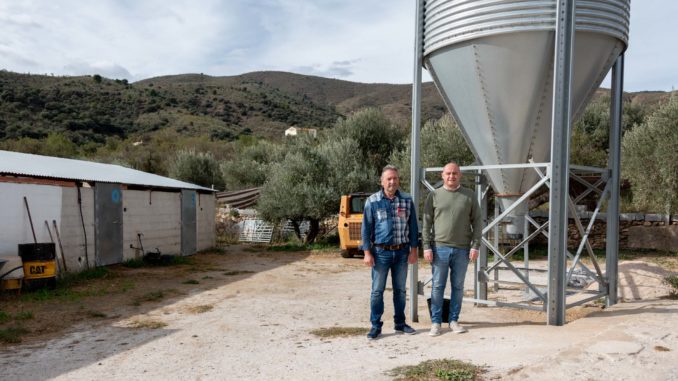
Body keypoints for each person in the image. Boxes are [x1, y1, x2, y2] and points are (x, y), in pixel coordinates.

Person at [422, 162, 481, 336]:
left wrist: (475, 245)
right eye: (448, 173)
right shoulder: (434, 196)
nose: (451, 176)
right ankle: (436, 323)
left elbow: (477, 222)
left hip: (462, 250)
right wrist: (426, 246)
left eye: (455, 173)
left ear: (460, 175)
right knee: (438, 286)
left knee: (458, 286)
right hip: (439, 248)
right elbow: (426, 224)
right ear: (442, 175)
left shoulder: (469, 196)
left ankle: (454, 320)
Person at [361, 165, 419, 340]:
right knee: (377, 291)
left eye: (395, 178)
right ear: (382, 181)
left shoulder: (407, 200)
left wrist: (414, 250)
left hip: (402, 252)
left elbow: (413, 227)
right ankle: (375, 325)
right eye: (389, 179)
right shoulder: (372, 201)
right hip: (380, 253)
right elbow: (366, 228)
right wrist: (367, 252)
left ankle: (400, 324)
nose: (392, 182)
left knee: (400, 290)